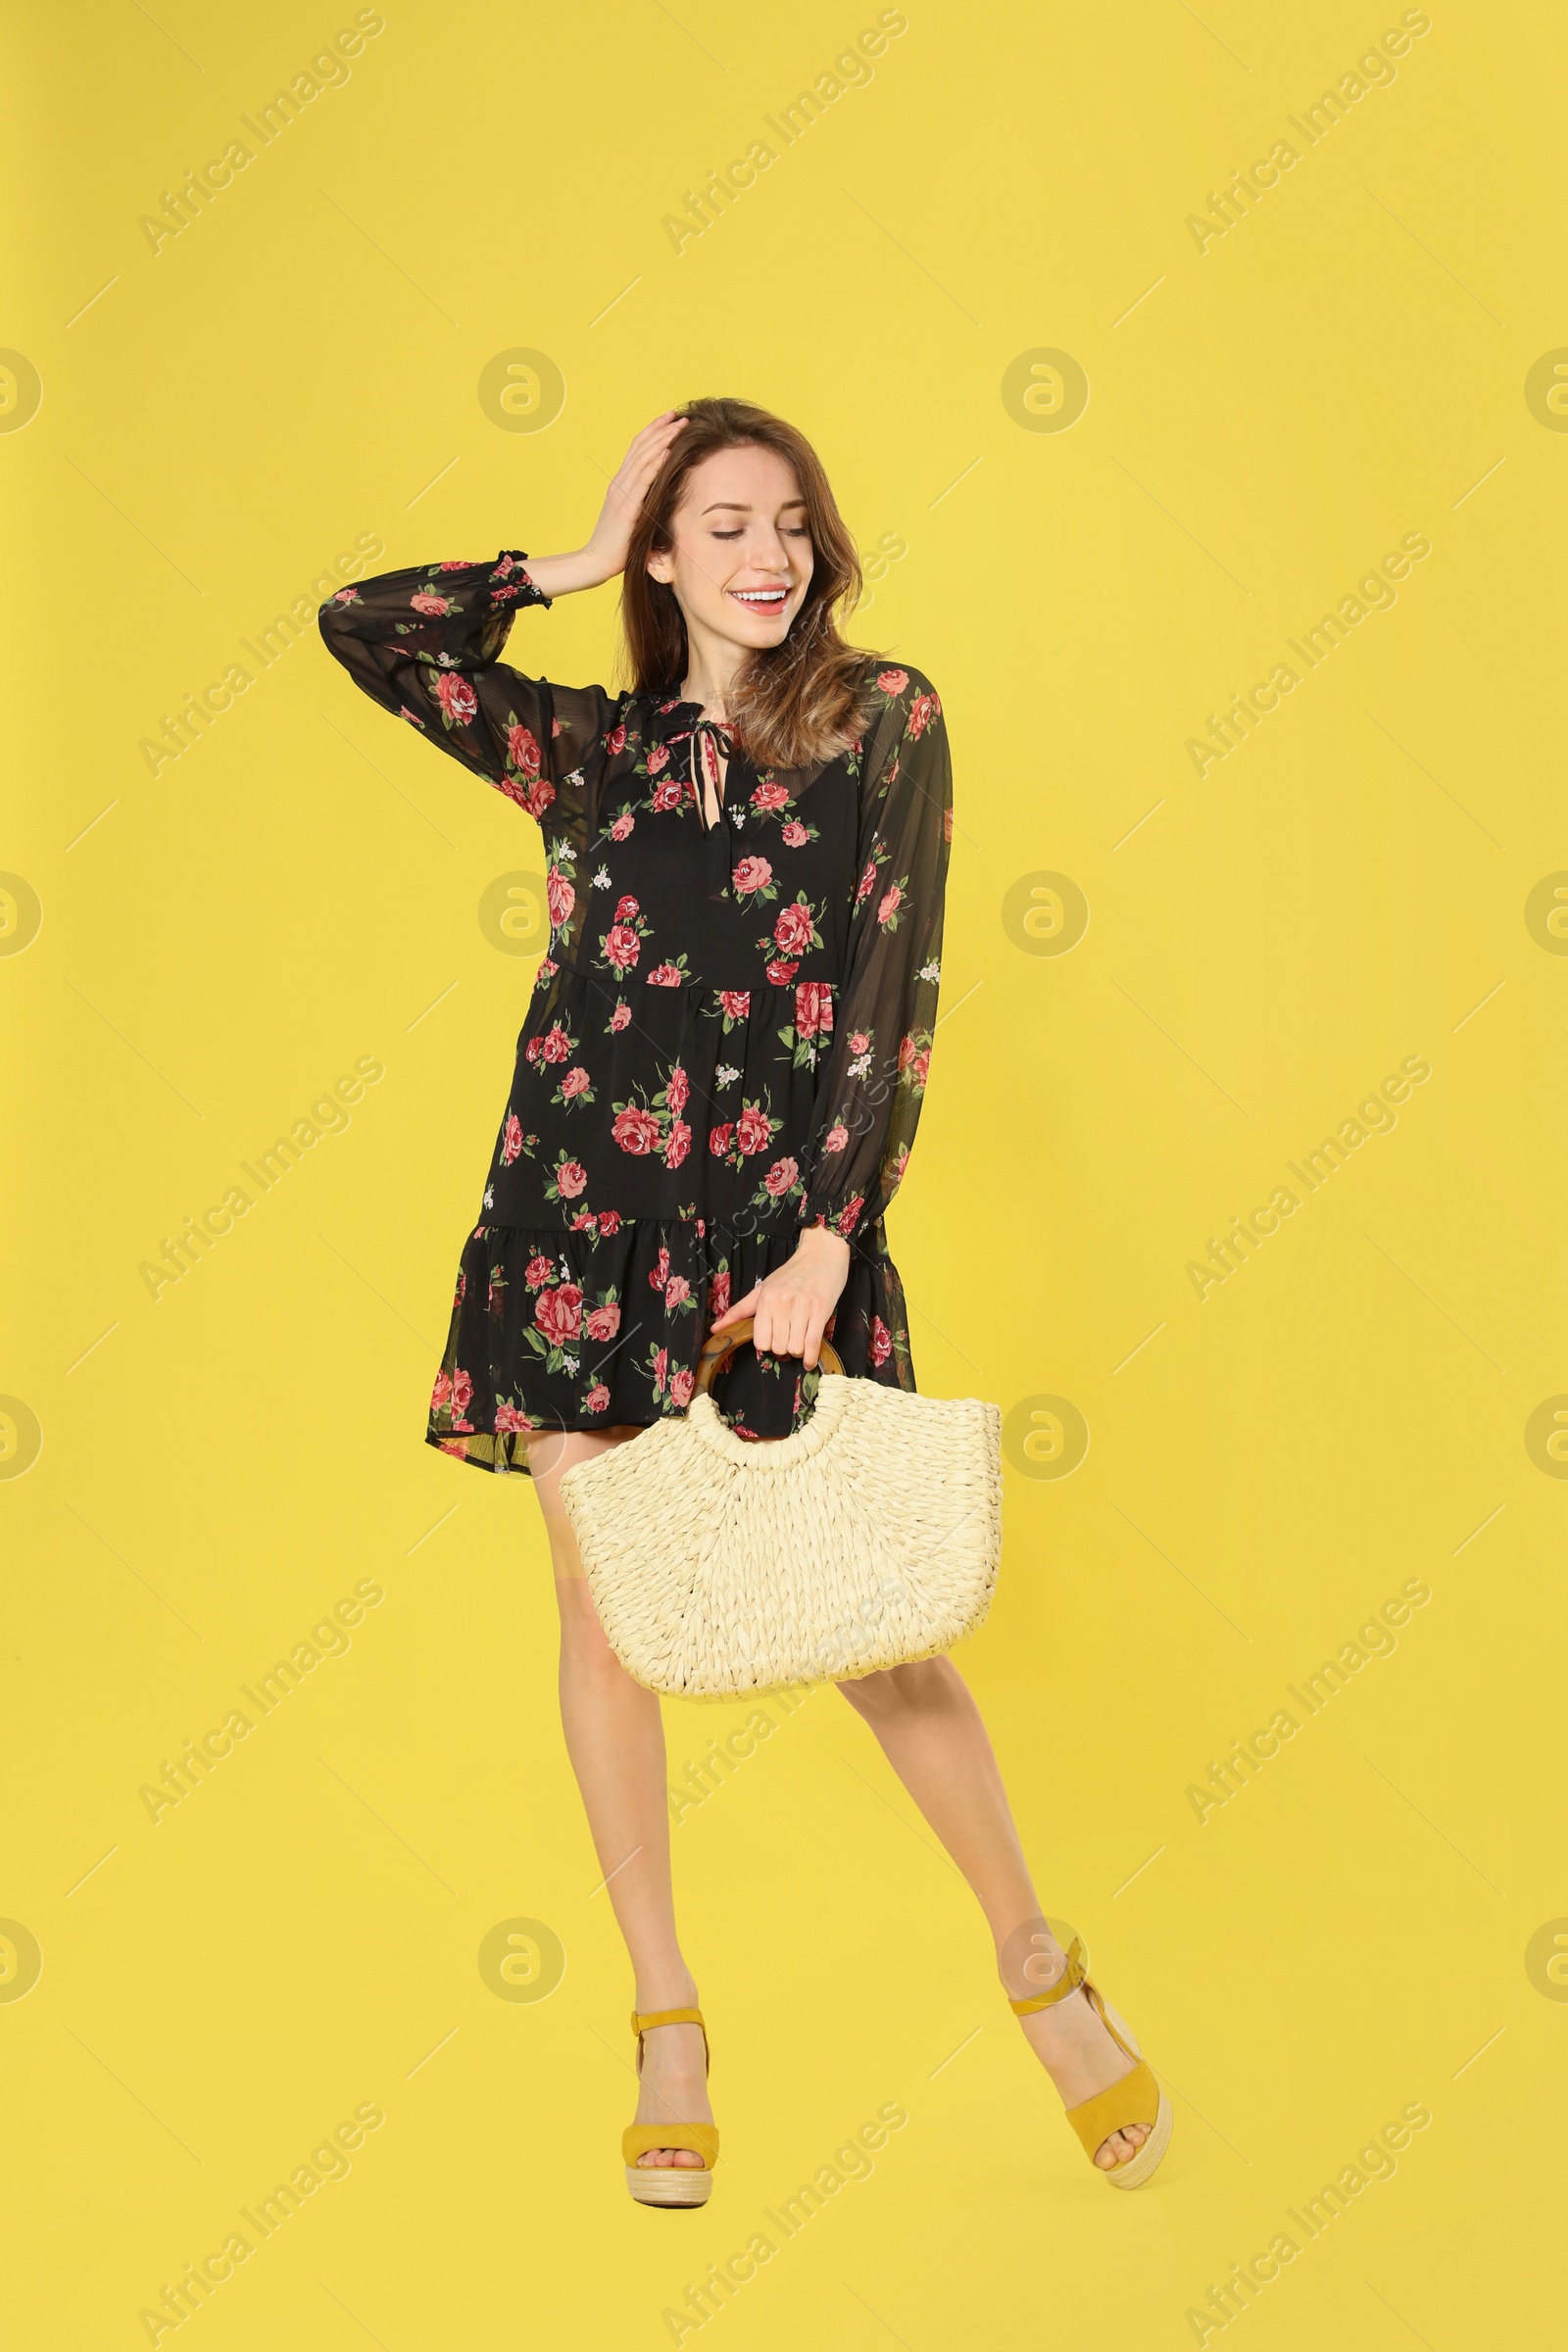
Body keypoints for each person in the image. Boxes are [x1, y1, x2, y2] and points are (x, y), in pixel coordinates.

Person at [318, 397, 1169, 2205]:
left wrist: (831, 1233)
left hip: (777, 1239)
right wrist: (559, 554)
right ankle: (666, 2012)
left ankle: (1034, 1959)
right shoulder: (587, 748)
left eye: (789, 519)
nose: (768, 554)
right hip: (575, 1221)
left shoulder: (885, 721)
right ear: (663, 550)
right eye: (719, 523)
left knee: (881, 1627)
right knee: (603, 1602)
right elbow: (362, 629)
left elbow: (895, 979)